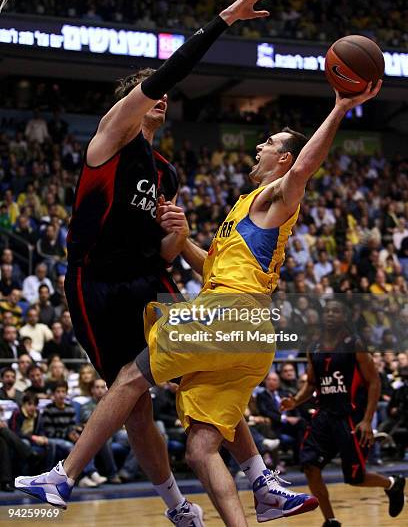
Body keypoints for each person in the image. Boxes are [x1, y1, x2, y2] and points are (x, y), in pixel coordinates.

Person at [17, 42, 383, 525]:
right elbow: (210, 264)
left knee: (130, 377)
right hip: (248, 333)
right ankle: (262, 485)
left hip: (229, 311)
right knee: (202, 447)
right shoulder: (245, 207)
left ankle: (63, 474)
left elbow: (304, 168)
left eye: (268, 143)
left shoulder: (279, 193)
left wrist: (339, 108)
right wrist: (185, 240)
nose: (258, 146)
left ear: (283, 158)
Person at [16, 0, 280, 525]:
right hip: (93, 283)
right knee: (132, 400)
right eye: (152, 92)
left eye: (162, 95)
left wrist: (176, 238)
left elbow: (161, 254)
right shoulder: (109, 139)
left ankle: (261, 476)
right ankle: (178, 507)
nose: (162, 97)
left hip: (145, 279)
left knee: (202, 358)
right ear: (131, 105)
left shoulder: (167, 173)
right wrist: (225, 18)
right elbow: (172, 70)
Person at [280, 299, 405, 526]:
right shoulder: (314, 347)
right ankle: (331, 521)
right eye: (327, 311)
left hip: (349, 417)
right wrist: (295, 400)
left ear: (344, 317)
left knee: (355, 478)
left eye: (336, 311)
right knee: (309, 465)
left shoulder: (354, 344)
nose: (329, 314)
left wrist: (367, 420)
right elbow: (312, 383)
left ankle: (392, 483)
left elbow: (374, 382)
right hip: (323, 415)